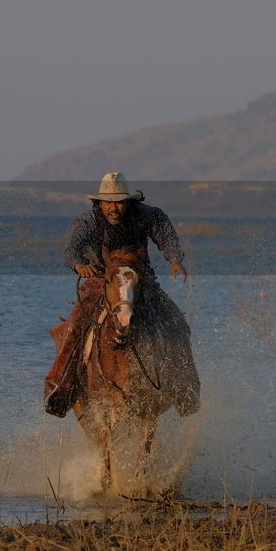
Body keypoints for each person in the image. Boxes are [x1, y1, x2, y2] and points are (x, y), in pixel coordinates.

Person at [43, 172, 199, 418]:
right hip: (100, 281)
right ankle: (60, 389)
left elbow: (166, 236)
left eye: (119, 202)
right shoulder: (88, 222)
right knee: (74, 327)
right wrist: (79, 265)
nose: (114, 208)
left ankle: (186, 390)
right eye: (108, 202)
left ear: (128, 202)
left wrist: (175, 258)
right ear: (100, 203)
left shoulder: (147, 215)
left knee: (176, 324)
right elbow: (71, 250)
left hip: (141, 281)